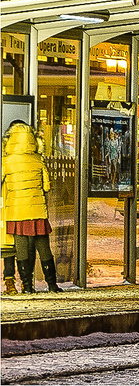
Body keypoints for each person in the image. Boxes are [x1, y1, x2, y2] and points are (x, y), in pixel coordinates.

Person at [1, 122, 61, 294]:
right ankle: (52, 285)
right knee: (44, 249)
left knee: (21, 251)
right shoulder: (38, 160)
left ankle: (27, 286)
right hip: (37, 211)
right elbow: (47, 186)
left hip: (17, 212)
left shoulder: (6, 162)